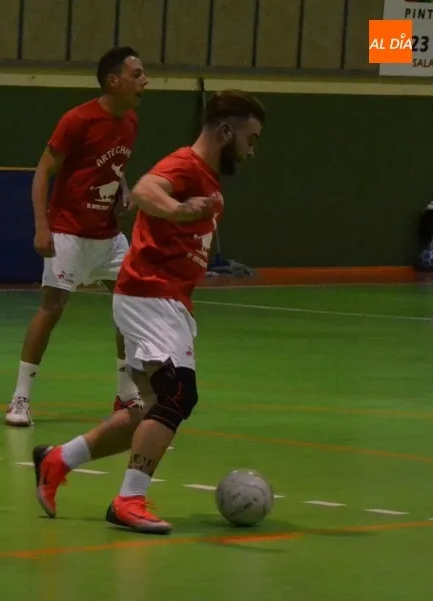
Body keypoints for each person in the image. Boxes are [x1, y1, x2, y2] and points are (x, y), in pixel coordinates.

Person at [32, 90, 266, 534]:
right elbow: (144, 189)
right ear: (225, 132)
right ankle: (129, 500)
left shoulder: (208, 178)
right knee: (179, 395)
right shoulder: (186, 165)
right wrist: (179, 209)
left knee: (152, 408)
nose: (251, 151)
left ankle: (59, 459)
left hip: (166, 299)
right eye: (249, 139)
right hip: (151, 295)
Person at [6, 46, 148, 427]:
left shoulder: (130, 121)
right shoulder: (78, 119)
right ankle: (20, 397)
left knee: (132, 306)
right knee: (52, 309)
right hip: (68, 232)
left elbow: (114, 165)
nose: (145, 81)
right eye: (136, 74)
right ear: (113, 81)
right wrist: (42, 225)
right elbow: (43, 171)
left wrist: (122, 188)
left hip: (108, 236)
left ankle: (125, 392)